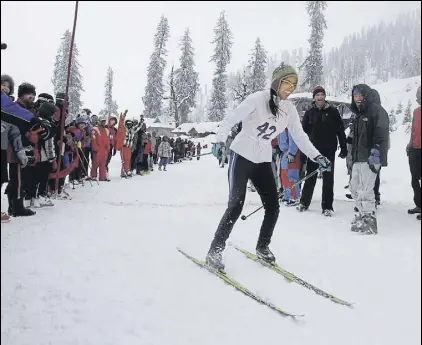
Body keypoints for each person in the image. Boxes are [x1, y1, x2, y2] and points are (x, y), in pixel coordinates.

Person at [206, 63, 331, 271]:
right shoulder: (258, 99)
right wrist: (220, 140)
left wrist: (317, 156)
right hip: (242, 154)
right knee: (235, 205)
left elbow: (300, 137)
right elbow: (231, 118)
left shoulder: (289, 110)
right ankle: (215, 250)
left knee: (273, 206)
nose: (290, 87)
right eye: (287, 83)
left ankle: (263, 247)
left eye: (294, 84)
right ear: (276, 83)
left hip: (263, 159)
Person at [297, 85, 347, 216]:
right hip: (313, 150)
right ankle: (304, 202)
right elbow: (303, 134)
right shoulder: (309, 113)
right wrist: (303, 151)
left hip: (329, 149)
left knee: (328, 178)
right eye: (317, 95)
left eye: (322, 95)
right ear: (314, 98)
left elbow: (340, 131)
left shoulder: (333, 112)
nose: (320, 97)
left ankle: (327, 207)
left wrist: (343, 147)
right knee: (310, 176)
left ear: (325, 96)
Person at [349, 84, 389, 234]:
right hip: (358, 158)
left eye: (360, 95)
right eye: (355, 96)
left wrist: (377, 150)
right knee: (354, 187)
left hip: (371, 158)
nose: (357, 98)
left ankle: (369, 218)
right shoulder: (358, 115)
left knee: (366, 190)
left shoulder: (376, 111)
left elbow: (382, 133)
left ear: (366, 95)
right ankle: (361, 215)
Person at [407, 86, 421, 220]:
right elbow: (414, 131)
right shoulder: (416, 112)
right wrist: (409, 145)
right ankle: (419, 205)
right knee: (414, 179)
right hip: (414, 149)